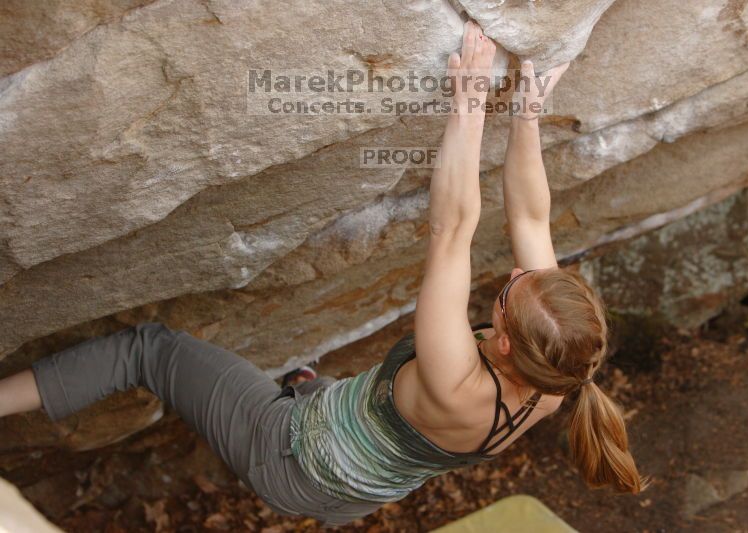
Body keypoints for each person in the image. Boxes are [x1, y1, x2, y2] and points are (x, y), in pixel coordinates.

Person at [0, 21, 648, 527]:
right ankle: (306, 385)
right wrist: (526, 116)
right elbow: (532, 216)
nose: (514, 275)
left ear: (503, 342)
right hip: (356, 485)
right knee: (319, 380)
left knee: (148, 348)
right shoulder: (561, 366)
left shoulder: (456, 377)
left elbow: (452, 229)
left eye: (508, 292)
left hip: (289, 457)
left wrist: (469, 103)